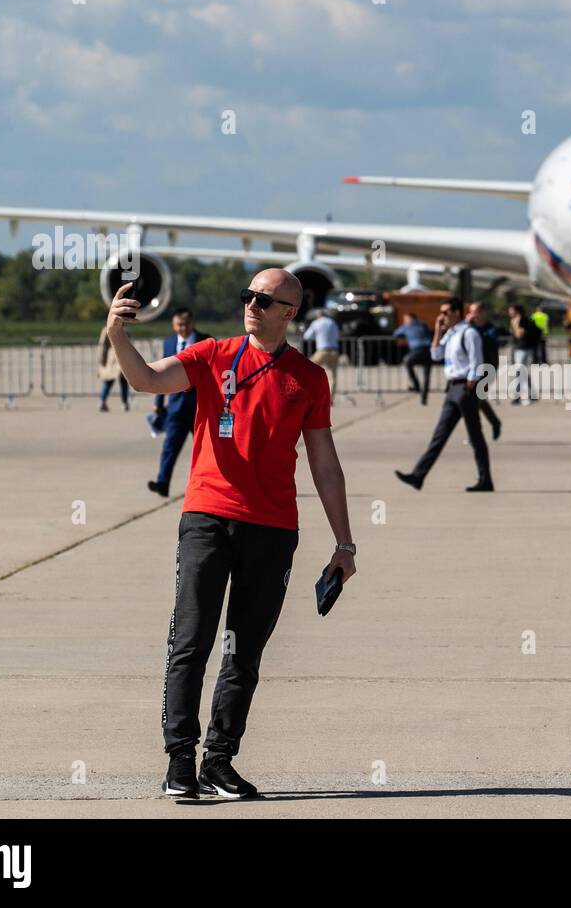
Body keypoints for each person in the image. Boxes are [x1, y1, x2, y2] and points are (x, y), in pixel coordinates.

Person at [106, 268, 355, 800]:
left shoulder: (308, 378)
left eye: (264, 301)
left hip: (271, 528)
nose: (252, 305)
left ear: (289, 312)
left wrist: (345, 544)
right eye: (248, 296)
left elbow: (325, 465)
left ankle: (219, 762)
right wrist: (117, 336)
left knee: (244, 651)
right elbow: (147, 380)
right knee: (190, 642)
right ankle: (179, 762)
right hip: (208, 517)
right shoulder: (211, 355)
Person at [394, 298, 494, 492]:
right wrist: (438, 330)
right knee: (439, 436)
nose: (443, 316)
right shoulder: (451, 334)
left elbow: (477, 361)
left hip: (464, 388)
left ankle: (485, 479)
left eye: (446, 312)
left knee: (475, 436)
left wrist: (471, 384)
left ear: (457, 312)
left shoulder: (469, 333)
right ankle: (418, 476)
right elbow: (436, 355)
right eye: (442, 312)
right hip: (452, 389)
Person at [147, 309, 210, 497]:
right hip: (176, 407)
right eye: (179, 325)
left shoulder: (207, 342)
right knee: (170, 446)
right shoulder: (169, 343)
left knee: (207, 448)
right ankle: (162, 483)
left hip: (201, 406)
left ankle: (208, 484)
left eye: (186, 324)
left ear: (192, 323)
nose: (183, 328)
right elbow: (162, 374)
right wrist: (158, 401)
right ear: (174, 325)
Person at [469, 302, 503, 438]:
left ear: (483, 313)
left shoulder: (491, 329)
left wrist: (471, 328)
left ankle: (475, 435)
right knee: (478, 399)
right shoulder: (469, 328)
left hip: (488, 367)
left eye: (475, 311)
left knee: (476, 400)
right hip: (473, 367)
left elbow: (488, 341)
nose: (473, 315)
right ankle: (495, 422)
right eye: (471, 312)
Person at [392, 312, 433, 404]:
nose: (404, 321)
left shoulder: (407, 326)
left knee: (407, 362)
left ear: (410, 319)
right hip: (428, 351)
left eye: (405, 319)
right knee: (426, 376)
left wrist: (404, 335)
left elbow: (395, 334)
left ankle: (416, 385)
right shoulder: (423, 324)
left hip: (417, 350)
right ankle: (424, 396)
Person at [303, 308, 340, 403]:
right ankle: (330, 399)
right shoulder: (332, 322)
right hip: (334, 350)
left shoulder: (316, 323)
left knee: (306, 369)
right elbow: (337, 334)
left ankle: (309, 394)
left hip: (322, 350)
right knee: (332, 376)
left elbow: (307, 336)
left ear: (318, 316)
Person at [508, 304, 540, 405]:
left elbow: (520, 334)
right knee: (523, 373)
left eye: (511, 310)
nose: (509, 312)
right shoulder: (513, 321)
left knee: (519, 372)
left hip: (524, 348)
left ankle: (517, 397)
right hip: (518, 348)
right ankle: (532, 395)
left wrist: (518, 330)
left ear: (517, 311)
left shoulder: (524, 320)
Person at [97, 326, 130, 412]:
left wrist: (101, 359)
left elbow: (102, 346)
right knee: (113, 381)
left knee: (114, 381)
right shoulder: (121, 330)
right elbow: (103, 345)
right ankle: (123, 402)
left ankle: (105, 401)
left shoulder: (121, 329)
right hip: (116, 356)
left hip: (117, 356)